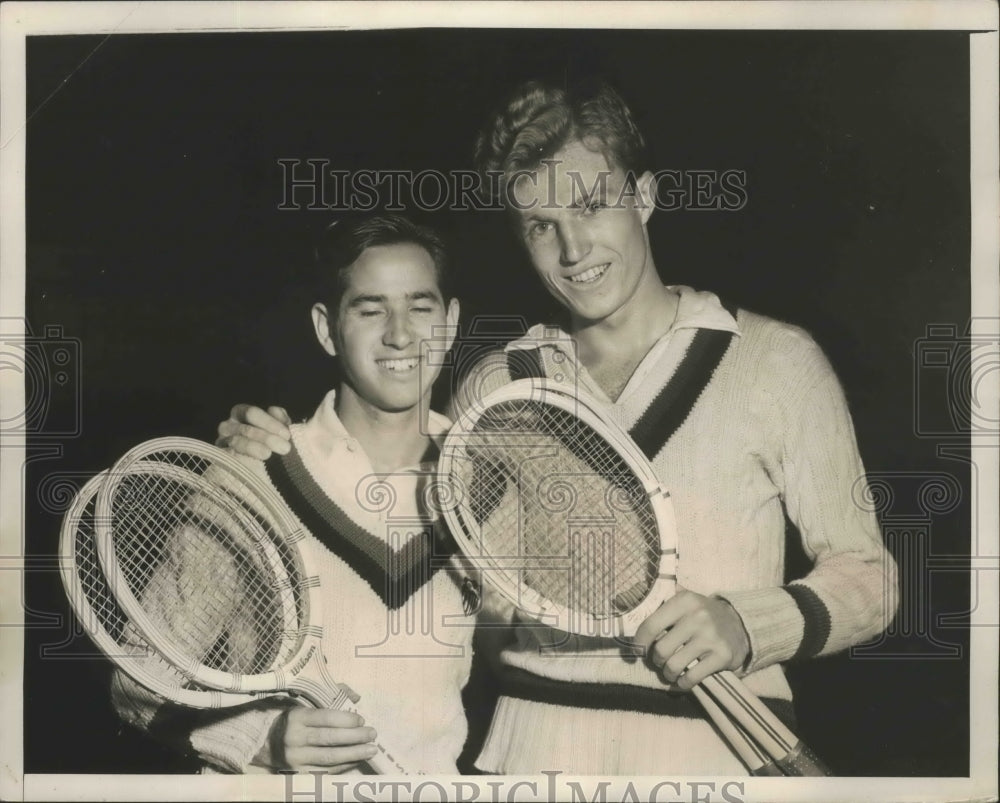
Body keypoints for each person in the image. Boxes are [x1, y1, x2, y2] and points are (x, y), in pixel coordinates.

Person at [217, 79, 898, 775]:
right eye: (541, 225)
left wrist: (747, 622)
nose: (573, 249)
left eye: (592, 204)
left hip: (718, 756)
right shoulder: (496, 385)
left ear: (645, 196)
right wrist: (271, 447)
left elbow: (871, 581)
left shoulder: (774, 360)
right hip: (527, 758)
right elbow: (448, 571)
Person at [114, 213, 475, 774]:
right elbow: (136, 679)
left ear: (449, 322)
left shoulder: (488, 483)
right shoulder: (254, 476)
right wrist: (259, 739)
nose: (400, 334)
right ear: (326, 328)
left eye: (420, 306)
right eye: (370, 308)